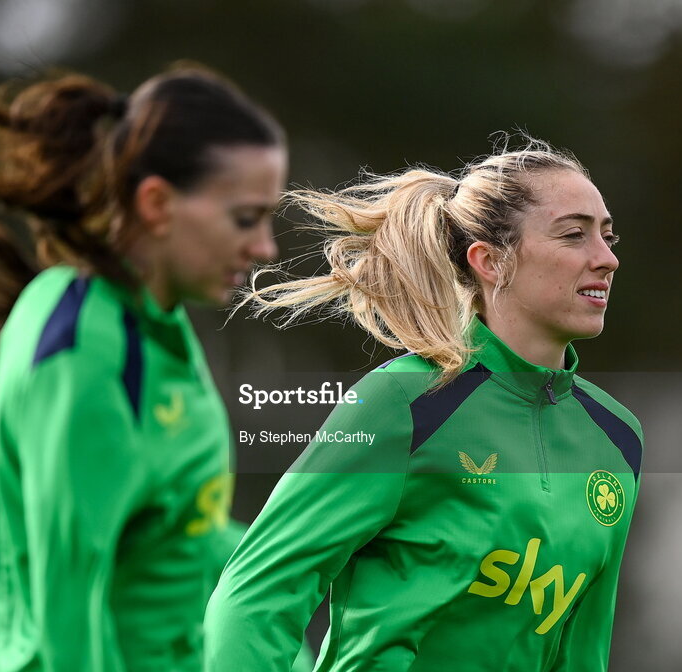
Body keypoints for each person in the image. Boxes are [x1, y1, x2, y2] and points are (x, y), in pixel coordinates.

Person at [0, 65, 314, 671]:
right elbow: (65, 600)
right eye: (246, 218)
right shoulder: (82, 345)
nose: (266, 246)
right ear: (158, 203)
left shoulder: (158, 327)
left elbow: (181, 534)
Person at [204, 137, 644, 671]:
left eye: (607, 235)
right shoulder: (405, 403)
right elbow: (257, 594)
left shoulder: (617, 440)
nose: (607, 258)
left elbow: (582, 654)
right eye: (574, 235)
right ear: (490, 261)